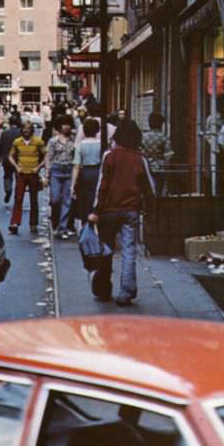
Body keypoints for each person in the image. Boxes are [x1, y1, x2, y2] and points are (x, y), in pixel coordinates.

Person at [89, 119, 155, 306]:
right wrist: (149, 207)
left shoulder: (109, 156)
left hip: (108, 210)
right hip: (130, 210)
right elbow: (150, 187)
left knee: (106, 249)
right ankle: (126, 291)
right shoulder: (140, 158)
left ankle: (103, 287)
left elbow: (102, 185)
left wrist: (96, 209)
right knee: (128, 250)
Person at [8, 120, 45, 235]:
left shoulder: (38, 142)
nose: (26, 130)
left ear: (32, 130)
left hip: (33, 173)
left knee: (34, 199)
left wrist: (38, 167)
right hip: (21, 173)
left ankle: (33, 223)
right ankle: (15, 223)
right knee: (18, 198)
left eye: (28, 128)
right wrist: (16, 167)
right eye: (24, 128)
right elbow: (11, 156)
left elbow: (46, 156)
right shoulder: (17, 142)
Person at [46, 114, 76, 239]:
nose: (66, 127)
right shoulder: (53, 141)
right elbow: (49, 157)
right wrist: (47, 174)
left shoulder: (74, 140)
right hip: (56, 171)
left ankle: (62, 228)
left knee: (67, 201)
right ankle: (56, 223)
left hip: (69, 171)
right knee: (55, 199)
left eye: (68, 124)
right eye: (64, 124)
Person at [71, 117, 102, 225]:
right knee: (97, 196)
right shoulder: (101, 144)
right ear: (97, 130)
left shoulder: (80, 145)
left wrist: (73, 184)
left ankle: (86, 223)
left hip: (85, 173)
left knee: (84, 199)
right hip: (98, 171)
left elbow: (76, 166)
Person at [141, 111, 174, 196]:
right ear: (160, 124)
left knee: (146, 189)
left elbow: (140, 151)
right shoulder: (164, 137)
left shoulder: (143, 137)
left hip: (146, 165)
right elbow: (168, 154)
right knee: (159, 189)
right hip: (160, 166)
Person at [0, 113, 21, 203]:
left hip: (6, 159)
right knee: (19, 178)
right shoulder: (21, 133)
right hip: (18, 160)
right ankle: (18, 195)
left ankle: (8, 190)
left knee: (7, 176)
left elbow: (0, 147)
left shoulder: (5, 134)